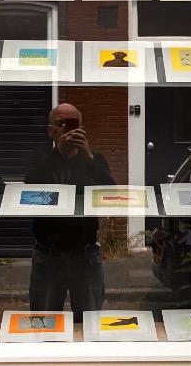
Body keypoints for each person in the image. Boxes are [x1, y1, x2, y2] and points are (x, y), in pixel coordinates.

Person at [24, 103, 115, 321]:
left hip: (85, 254)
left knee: (90, 326)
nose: (66, 129)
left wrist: (88, 156)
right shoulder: (39, 158)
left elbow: (111, 194)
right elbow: (30, 188)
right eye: (60, 124)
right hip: (48, 254)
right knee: (43, 325)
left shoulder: (95, 160)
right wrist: (58, 153)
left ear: (81, 128)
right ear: (50, 131)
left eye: (72, 124)